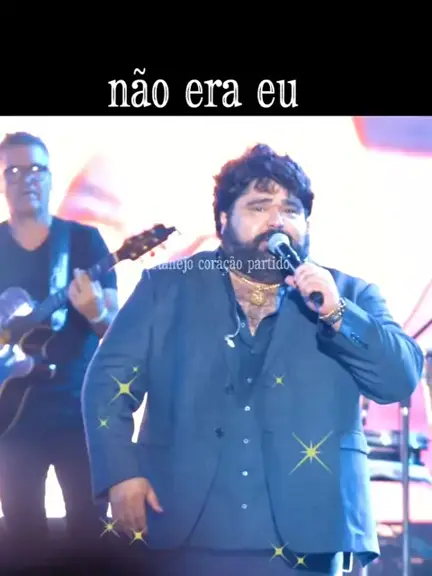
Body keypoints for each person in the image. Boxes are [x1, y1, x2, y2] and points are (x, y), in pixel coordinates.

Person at [81, 144, 424, 576]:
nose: (277, 220)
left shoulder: (348, 294)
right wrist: (120, 472)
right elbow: (106, 385)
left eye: (291, 210)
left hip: (312, 535)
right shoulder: (165, 288)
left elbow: (399, 379)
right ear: (223, 220)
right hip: (186, 528)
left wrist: (337, 313)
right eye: (259, 206)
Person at [0, 132, 118, 568]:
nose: (25, 178)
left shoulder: (85, 243)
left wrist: (95, 311)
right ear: (2, 181)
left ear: (50, 177)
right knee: (23, 539)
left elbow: (114, 333)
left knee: (92, 535)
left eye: (36, 169)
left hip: (78, 417)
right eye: (13, 170)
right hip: (10, 422)